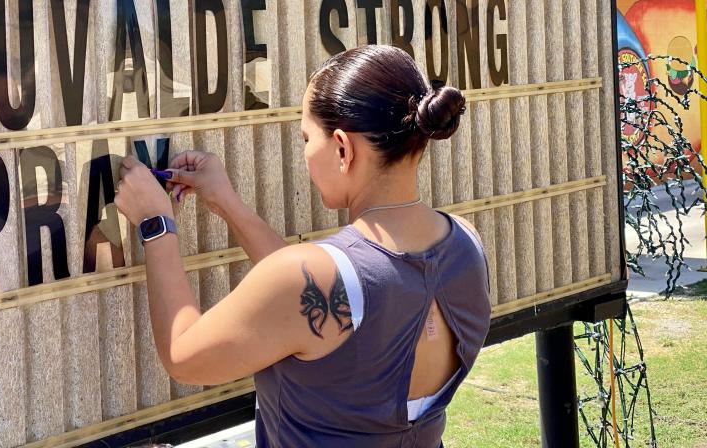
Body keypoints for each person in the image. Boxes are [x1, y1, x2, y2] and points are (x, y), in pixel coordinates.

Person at [114, 45, 492, 447]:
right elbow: (321, 293)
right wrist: (227, 203)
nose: (307, 154)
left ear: (343, 148)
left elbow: (183, 356)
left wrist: (157, 223)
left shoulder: (317, 277)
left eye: (308, 137)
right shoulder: (466, 246)